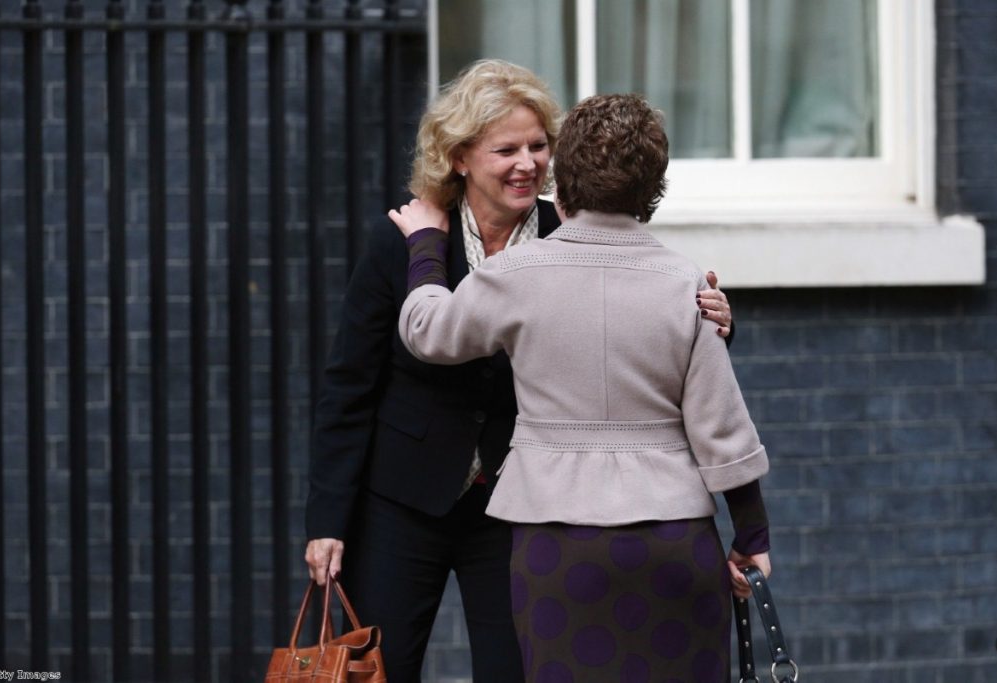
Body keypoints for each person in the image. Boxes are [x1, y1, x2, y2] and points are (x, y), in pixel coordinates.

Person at [304, 60, 733, 682]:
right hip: (402, 502)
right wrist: (327, 524)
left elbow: (642, 317)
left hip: (519, 504)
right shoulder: (403, 241)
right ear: (459, 157)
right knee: (380, 670)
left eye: (539, 146)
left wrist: (716, 318)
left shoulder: (573, 233)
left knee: (516, 671)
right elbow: (348, 389)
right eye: (506, 149)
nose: (528, 164)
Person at [391, 93, 771, 682]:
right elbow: (720, 426)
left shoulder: (515, 276)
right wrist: (752, 535)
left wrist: (424, 246)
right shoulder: (684, 282)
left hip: (557, 546)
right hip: (674, 540)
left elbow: (426, 331)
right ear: (653, 188)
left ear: (561, 183)